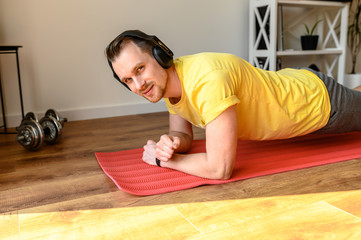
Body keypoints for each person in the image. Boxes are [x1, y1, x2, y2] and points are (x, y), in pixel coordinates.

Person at [105, 30, 361, 180]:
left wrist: (164, 163)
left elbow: (220, 169)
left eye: (140, 69)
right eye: (128, 79)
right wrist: (171, 146)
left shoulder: (207, 81)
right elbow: (182, 133)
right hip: (297, 83)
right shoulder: (171, 83)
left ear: (160, 55)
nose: (138, 85)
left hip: (318, 104)